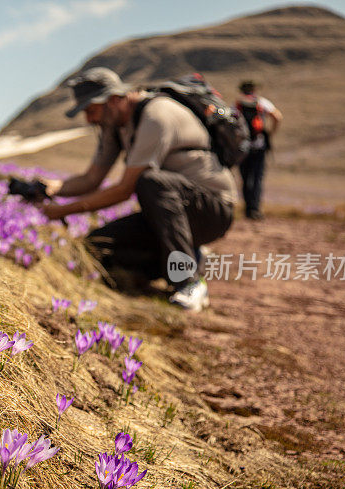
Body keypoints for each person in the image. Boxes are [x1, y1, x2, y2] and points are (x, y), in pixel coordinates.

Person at [36, 67, 237, 311]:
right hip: (172, 213)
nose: (89, 119)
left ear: (113, 99)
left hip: (212, 210)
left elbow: (125, 189)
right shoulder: (116, 125)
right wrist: (48, 189)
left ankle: (188, 282)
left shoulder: (156, 116)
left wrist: (61, 212)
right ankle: (188, 256)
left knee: (150, 182)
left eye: (91, 110)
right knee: (97, 245)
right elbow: (91, 179)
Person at [236, 80, 282, 220]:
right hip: (259, 145)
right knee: (257, 178)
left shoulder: (238, 104)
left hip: (243, 147)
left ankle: (248, 209)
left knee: (245, 178)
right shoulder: (262, 103)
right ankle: (255, 210)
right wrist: (270, 133)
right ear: (254, 90)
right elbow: (277, 117)